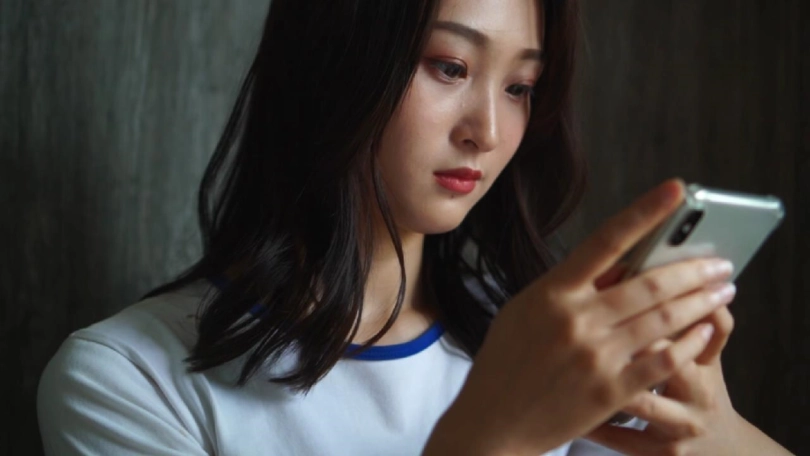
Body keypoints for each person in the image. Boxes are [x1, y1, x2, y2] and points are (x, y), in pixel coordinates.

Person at [37, 0, 793, 454]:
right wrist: (494, 436)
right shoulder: (127, 379)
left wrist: (713, 431)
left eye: (520, 86)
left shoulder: (547, 343)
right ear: (337, 60)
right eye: (450, 67)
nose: (487, 130)